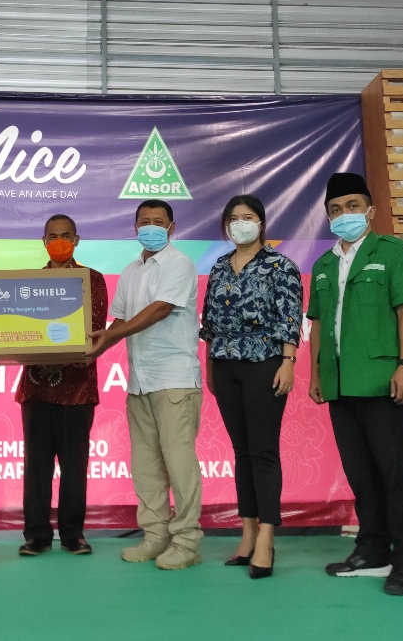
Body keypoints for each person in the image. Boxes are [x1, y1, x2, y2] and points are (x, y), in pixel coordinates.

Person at [307, 172, 403, 596]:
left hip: (382, 380)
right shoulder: (323, 265)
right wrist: (316, 373)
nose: (345, 215)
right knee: (360, 473)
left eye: (353, 206)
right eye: (336, 209)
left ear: (370, 210)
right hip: (340, 382)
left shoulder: (394, 252)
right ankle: (373, 550)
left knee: (396, 473)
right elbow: (317, 324)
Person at [89, 199, 203, 570]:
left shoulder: (179, 263)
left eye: (158, 221)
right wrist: (94, 345)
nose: (150, 226)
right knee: (146, 465)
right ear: (135, 227)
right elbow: (120, 320)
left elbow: (160, 309)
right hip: (139, 381)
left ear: (171, 228)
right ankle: (156, 536)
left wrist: (109, 337)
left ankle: (187, 541)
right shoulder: (130, 271)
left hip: (174, 379)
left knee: (179, 463)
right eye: (144, 221)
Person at [200, 195, 302, 579]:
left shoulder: (280, 265)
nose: (240, 223)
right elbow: (209, 322)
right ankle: (246, 533)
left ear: (261, 223)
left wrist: (288, 361)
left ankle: (267, 537)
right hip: (224, 364)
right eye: (234, 218)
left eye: (248, 217)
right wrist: (210, 365)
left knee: (263, 451)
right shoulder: (219, 266)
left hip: (266, 363)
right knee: (241, 452)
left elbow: (290, 318)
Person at [17, 214, 109, 557]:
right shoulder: (27, 284)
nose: (59, 241)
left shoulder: (92, 280)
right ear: (43, 241)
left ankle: (73, 533)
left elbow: (94, 328)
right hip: (36, 386)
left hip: (78, 389)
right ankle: (36, 535)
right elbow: (18, 328)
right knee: (36, 467)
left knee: (74, 467)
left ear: (77, 240)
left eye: (66, 235)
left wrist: (60, 357)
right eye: (53, 236)